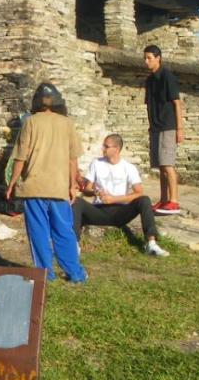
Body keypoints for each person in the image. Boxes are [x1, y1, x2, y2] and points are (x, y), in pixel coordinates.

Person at [5, 82, 87, 283]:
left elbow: (20, 158)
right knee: (64, 232)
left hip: (34, 188)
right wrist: (72, 185)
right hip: (58, 188)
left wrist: (12, 183)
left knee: (39, 232)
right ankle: (75, 274)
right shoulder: (67, 124)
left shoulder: (31, 122)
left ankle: (44, 275)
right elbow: (72, 159)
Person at [72, 134, 168, 257]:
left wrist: (113, 199)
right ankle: (74, 245)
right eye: (103, 146)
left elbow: (138, 192)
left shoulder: (128, 168)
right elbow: (88, 189)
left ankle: (151, 243)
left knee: (144, 200)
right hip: (99, 209)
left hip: (120, 211)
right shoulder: (96, 163)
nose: (103, 149)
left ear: (116, 149)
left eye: (106, 146)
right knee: (77, 201)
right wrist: (96, 192)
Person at [143, 45, 183, 216]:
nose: (146, 62)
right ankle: (163, 199)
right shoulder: (149, 80)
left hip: (168, 126)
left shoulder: (167, 77)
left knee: (168, 164)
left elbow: (177, 103)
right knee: (160, 165)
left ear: (158, 58)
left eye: (149, 58)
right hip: (155, 127)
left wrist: (179, 128)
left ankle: (174, 201)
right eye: (145, 58)